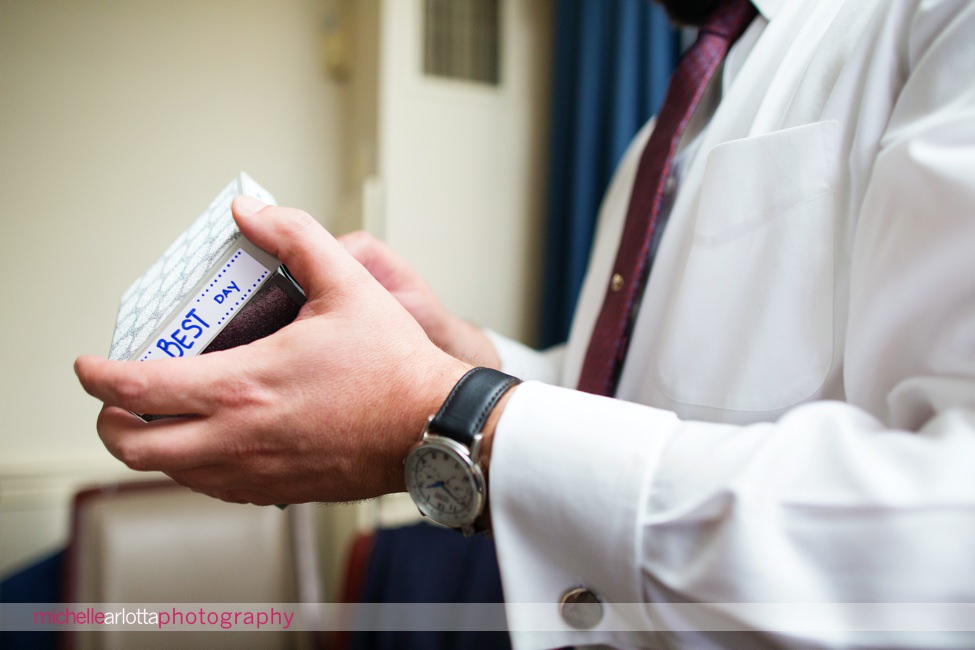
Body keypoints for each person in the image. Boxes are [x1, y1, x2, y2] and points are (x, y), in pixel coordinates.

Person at [75, 0, 975, 646]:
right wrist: (460, 353)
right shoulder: (656, 140)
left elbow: (950, 536)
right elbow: (621, 393)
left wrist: (445, 415)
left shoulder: (934, 25)